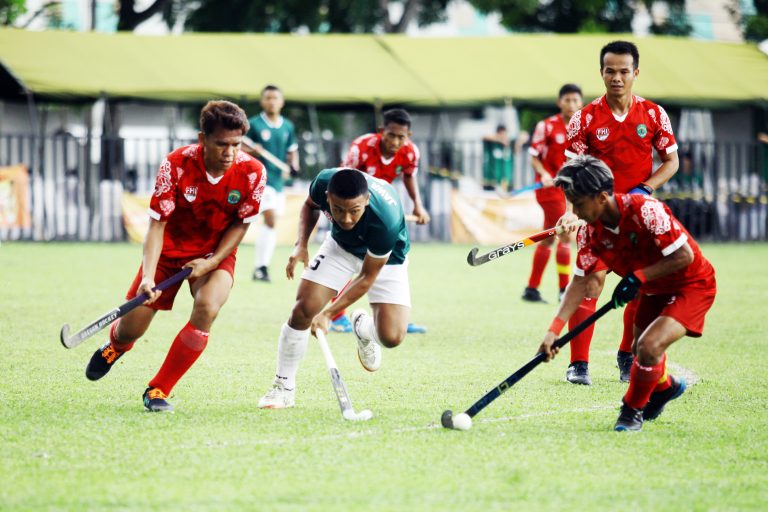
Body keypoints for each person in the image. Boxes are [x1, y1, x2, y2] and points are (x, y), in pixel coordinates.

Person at [84, 100, 266, 412]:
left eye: (236, 145)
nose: (230, 153)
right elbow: (157, 226)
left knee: (208, 307)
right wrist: (148, 277)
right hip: (168, 253)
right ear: (202, 139)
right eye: (221, 144)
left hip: (215, 253)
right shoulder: (176, 164)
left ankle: (158, 389)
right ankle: (116, 345)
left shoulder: (252, 172)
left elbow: (241, 224)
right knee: (132, 328)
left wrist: (210, 261)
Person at [537, 155, 715, 431]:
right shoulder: (590, 232)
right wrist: (553, 330)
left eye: (579, 203)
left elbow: (684, 256)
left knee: (648, 347)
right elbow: (580, 282)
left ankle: (631, 411)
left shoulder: (646, 210)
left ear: (603, 196)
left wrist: (637, 277)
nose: (576, 211)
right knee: (639, 350)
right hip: (654, 288)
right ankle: (666, 388)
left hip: (690, 284)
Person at [560, 40, 679, 385]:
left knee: (638, 287)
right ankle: (578, 364)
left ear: (635, 73)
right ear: (601, 73)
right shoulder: (584, 118)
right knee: (591, 283)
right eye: (609, 71)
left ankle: (627, 355)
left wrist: (646, 188)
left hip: (638, 219)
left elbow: (670, 161)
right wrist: (571, 210)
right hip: (596, 218)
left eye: (623, 71)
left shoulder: (654, 114)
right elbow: (572, 171)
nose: (616, 77)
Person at [257, 167, 412, 409]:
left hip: (387, 259)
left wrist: (328, 314)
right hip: (340, 248)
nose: (347, 219)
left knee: (392, 337)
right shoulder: (322, 182)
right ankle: (283, 388)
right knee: (303, 310)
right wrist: (301, 245)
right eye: (338, 210)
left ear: (367, 200)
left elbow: (366, 277)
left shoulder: (386, 220)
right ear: (328, 196)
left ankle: (363, 328)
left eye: (355, 211)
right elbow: (309, 206)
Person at [329, 108, 429, 334]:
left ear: (408, 136)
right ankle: (336, 316)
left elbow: (409, 177)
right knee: (351, 261)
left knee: (396, 260)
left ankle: (397, 315)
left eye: (401, 137)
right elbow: (344, 181)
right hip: (355, 211)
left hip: (385, 211)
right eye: (391, 135)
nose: (395, 141)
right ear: (382, 131)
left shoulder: (411, 152)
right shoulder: (361, 147)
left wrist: (418, 206)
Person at [523, 83, 583, 305]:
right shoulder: (546, 126)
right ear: (559, 102)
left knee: (549, 239)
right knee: (566, 234)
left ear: (581, 103)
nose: (571, 104)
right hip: (549, 190)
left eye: (576, 100)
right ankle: (563, 289)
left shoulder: (582, 128)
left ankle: (531, 288)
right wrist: (545, 173)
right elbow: (533, 156)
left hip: (571, 191)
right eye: (567, 100)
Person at [243, 84, 300, 283]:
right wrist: (252, 151)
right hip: (259, 180)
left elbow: (292, 151)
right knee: (270, 220)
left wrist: (294, 165)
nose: (272, 101)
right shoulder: (254, 124)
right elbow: (239, 149)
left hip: (277, 182)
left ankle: (260, 267)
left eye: (275, 98)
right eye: (268, 98)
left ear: (281, 102)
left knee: (270, 224)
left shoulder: (287, 127)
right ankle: (261, 267)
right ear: (262, 101)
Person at [482, 124, 513, 192]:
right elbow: (484, 137)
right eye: (501, 134)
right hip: (491, 181)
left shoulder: (509, 141)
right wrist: (500, 139)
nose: (503, 136)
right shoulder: (492, 142)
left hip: (505, 181)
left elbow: (524, 135)